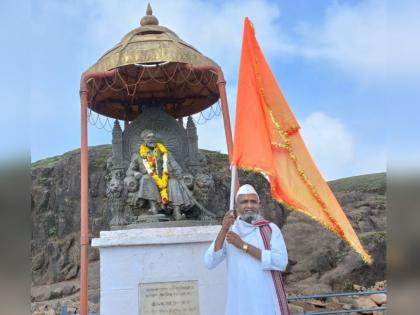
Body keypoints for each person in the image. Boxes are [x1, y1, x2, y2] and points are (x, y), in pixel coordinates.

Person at [204, 184, 289, 315]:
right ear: (236, 206)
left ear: (259, 205)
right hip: (239, 302)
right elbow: (210, 262)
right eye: (244, 202)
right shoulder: (230, 230)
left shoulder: (270, 229)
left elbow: (280, 262)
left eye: (253, 201)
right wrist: (224, 229)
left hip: (266, 301)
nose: (249, 205)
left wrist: (243, 245)